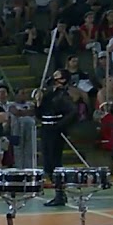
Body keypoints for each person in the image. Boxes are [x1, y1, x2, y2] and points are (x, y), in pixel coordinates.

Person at [39, 70, 79, 206]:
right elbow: (40, 114)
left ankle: (60, 194)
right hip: (45, 129)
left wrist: (59, 125)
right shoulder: (49, 94)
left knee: (54, 162)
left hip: (54, 131)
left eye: (57, 76)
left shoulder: (63, 95)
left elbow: (73, 112)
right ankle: (59, 193)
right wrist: (38, 102)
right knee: (48, 164)